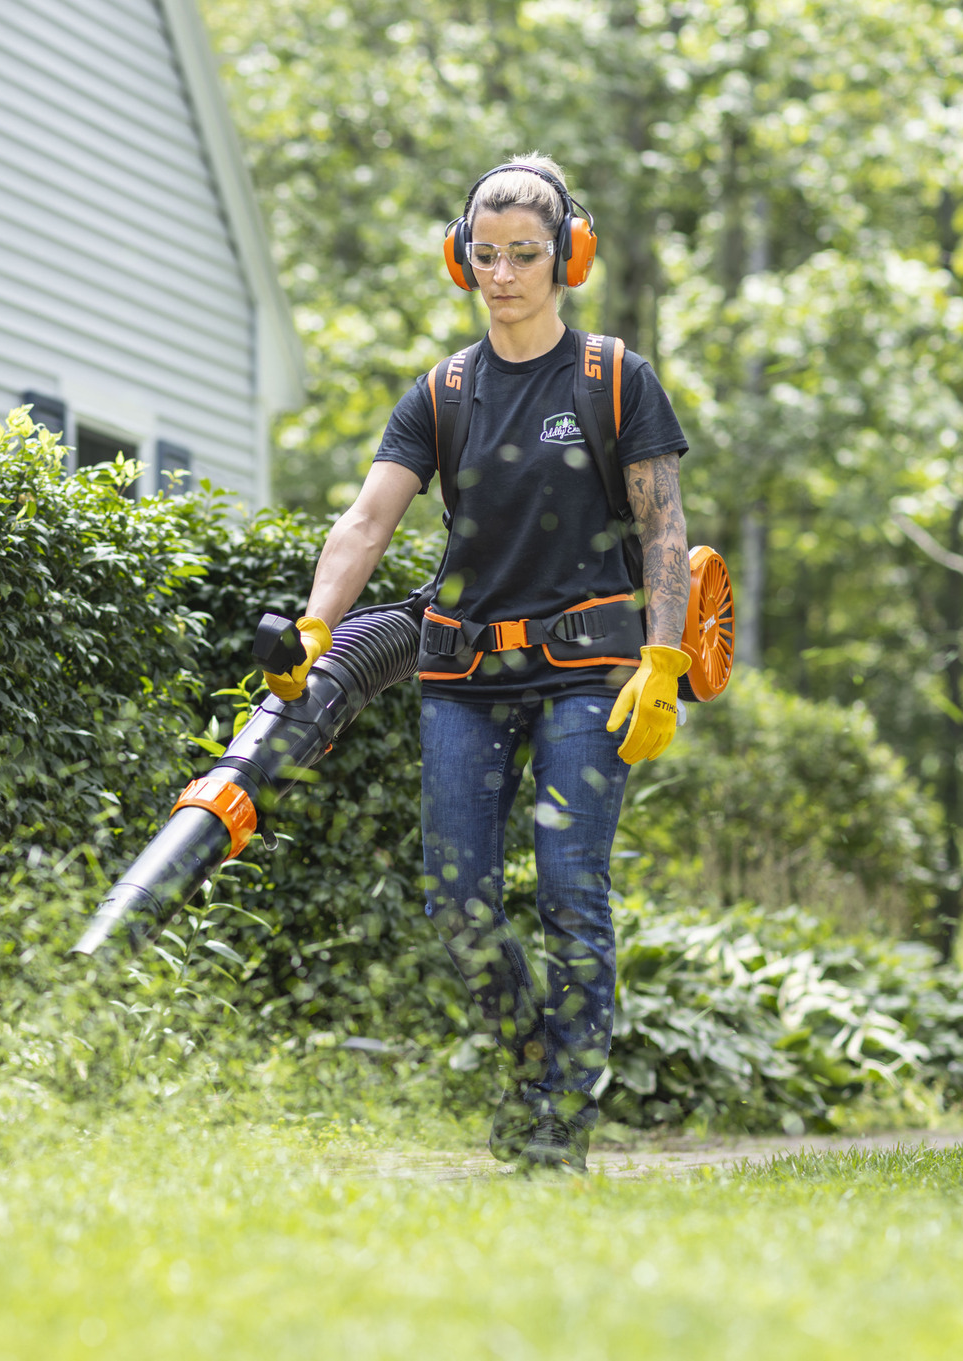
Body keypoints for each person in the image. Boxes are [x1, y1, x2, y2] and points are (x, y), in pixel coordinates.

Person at [264, 156, 692, 1175]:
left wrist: (665, 658)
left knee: (568, 886)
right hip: (462, 674)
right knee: (456, 896)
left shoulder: (613, 377)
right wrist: (319, 630)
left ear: (567, 258)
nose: (502, 275)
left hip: (591, 675)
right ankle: (531, 1051)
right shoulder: (443, 392)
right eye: (486, 255)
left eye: (525, 256)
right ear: (462, 257)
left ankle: (562, 1111)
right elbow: (368, 519)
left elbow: (663, 523)